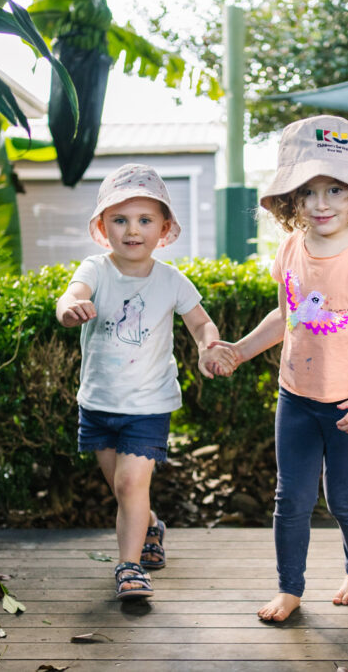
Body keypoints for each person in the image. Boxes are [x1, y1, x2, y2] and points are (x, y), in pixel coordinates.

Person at [214, 115, 348, 622]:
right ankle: (289, 588)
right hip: (297, 398)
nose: (322, 203)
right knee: (291, 497)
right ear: (292, 201)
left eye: (335, 189)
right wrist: (239, 350)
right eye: (308, 191)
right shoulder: (289, 249)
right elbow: (288, 316)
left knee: (345, 496)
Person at [55, 163, 235, 601]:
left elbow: (201, 323)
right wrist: (69, 309)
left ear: (163, 228)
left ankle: (129, 566)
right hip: (98, 403)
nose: (132, 230)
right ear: (103, 227)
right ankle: (150, 526)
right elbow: (71, 296)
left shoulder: (171, 280)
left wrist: (208, 346)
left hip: (149, 405)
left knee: (131, 485)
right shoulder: (96, 269)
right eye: (120, 219)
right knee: (120, 486)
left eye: (144, 220)